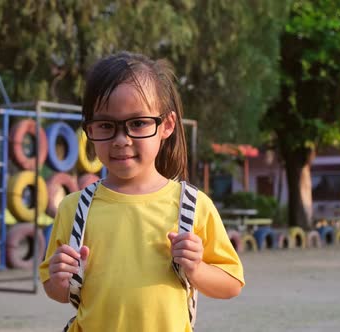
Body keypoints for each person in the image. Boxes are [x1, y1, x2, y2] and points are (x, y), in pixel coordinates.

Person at [39, 52, 244, 331]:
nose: (121, 140)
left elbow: (231, 285)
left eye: (137, 123)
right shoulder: (75, 208)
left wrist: (196, 269)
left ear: (167, 125)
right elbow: (57, 292)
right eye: (106, 125)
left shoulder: (193, 206)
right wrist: (60, 278)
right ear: (89, 129)